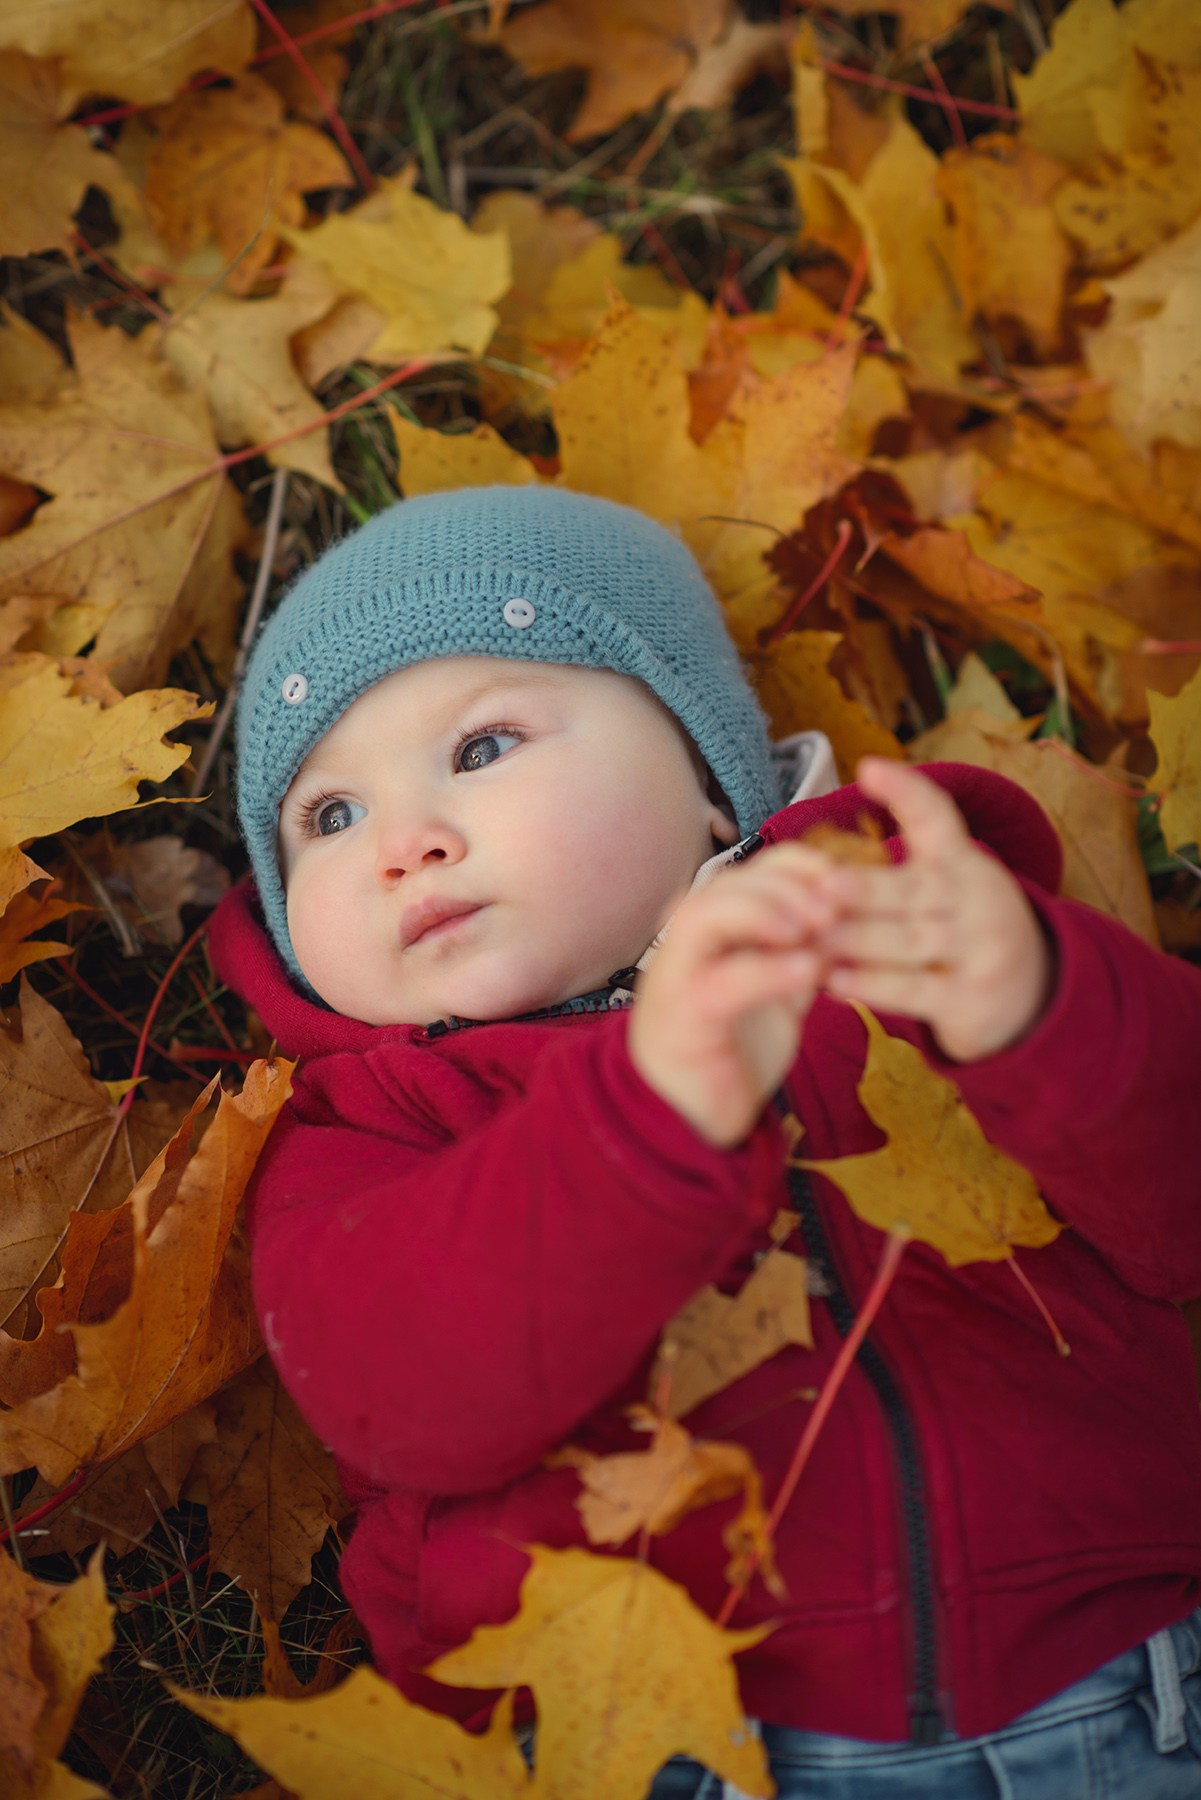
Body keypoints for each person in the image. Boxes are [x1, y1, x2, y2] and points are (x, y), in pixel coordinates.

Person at [208, 484, 1201, 1798]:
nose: (405, 841)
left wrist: (1045, 1006)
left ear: (708, 785)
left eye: (481, 746)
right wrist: (642, 1116)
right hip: (647, 1746)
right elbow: (402, 1401)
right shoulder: (366, 1131)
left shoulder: (909, 952)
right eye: (325, 818)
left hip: (1121, 1682)